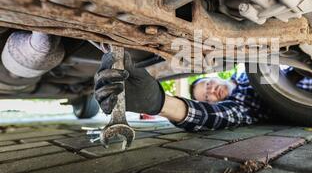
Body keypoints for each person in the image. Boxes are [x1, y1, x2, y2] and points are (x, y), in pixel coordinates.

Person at [94, 52, 272, 132]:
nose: (211, 91)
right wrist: (159, 102)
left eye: (208, 84)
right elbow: (216, 116)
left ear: (218, 77)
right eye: (206, 97)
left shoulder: (245, 72)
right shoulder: (240, 107)